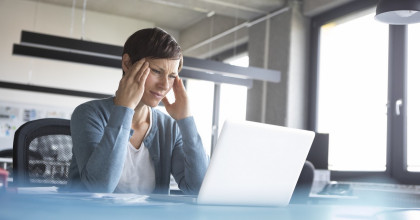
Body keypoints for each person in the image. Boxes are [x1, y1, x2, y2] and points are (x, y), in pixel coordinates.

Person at [67, 27, 208, 195]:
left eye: (172, 76)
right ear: (127, 63)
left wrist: (186, 120)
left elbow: (198, 188)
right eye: (156, 71)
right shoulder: (89, 114)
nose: (164, 85)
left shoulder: (169, 127)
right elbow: (99, 187)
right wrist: (125, 109)